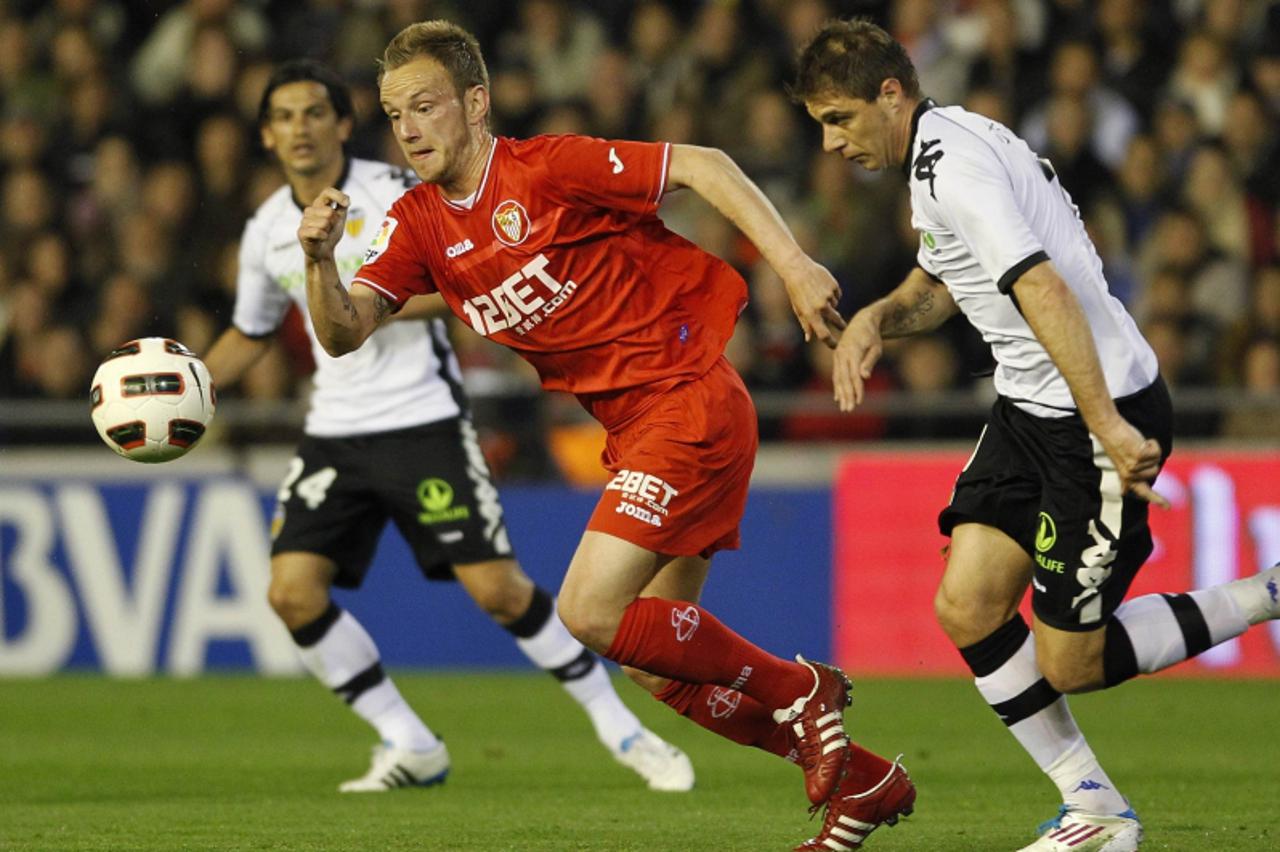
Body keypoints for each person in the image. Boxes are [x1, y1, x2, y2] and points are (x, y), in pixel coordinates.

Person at [298, 20, 915, 851]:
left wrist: (795, 266)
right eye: (392, 112)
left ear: (476, 104)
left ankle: (804, 689)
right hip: (641, 429)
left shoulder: (546, 168)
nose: (407, 128)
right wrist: (318, 261)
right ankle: (863, 780)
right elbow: (344, 333)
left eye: (425, 105)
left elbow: (705, 165)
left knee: (589, 610)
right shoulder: (417, 226)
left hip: (689, 398)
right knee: (656, 663)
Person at [792, 19, 1280, 852]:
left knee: (1071, 664)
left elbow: (1043, 289)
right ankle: (1094, 810)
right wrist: (878, 315)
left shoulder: (953, 167)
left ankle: (1272, 593)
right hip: (1032, 408)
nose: (833, 143)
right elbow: (947, 280)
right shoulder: (946, 150)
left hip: (1095, 413)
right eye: (821, 127)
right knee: (968, 604)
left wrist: (1108, 430)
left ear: (889, 93)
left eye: (839, 119)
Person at [203, 59, 697, 794]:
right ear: (268, 136)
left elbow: (460, 275)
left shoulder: (399, 193)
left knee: (498, 591)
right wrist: (192, 384)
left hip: (421, 418)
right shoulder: (266, 230)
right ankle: (408, 739)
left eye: (315, 113)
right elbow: (252, 332)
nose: (299, 129)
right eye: (284, 117)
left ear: (343, 125)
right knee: (292, 593)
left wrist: (374, 295)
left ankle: (620, 726)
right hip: (334, 429)